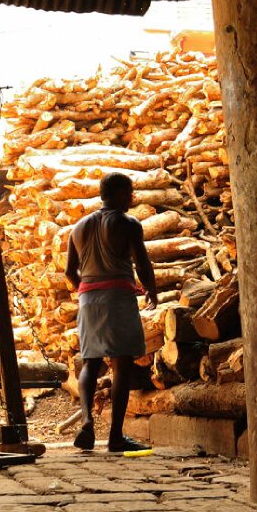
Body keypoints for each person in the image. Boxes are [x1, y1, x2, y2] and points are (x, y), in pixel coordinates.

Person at [65, 172, 158, 453]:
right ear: (118, 194)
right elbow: (141, 263)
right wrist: (152, 290)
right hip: (118, 296)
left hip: (87, 298)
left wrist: (87, 289)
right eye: (129, 192)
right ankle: (116, 437)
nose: (132, 197)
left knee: (90, 361)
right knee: (121, 365)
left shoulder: (78, 227)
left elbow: (70, 272)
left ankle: (86, 421)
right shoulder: (128, 223)